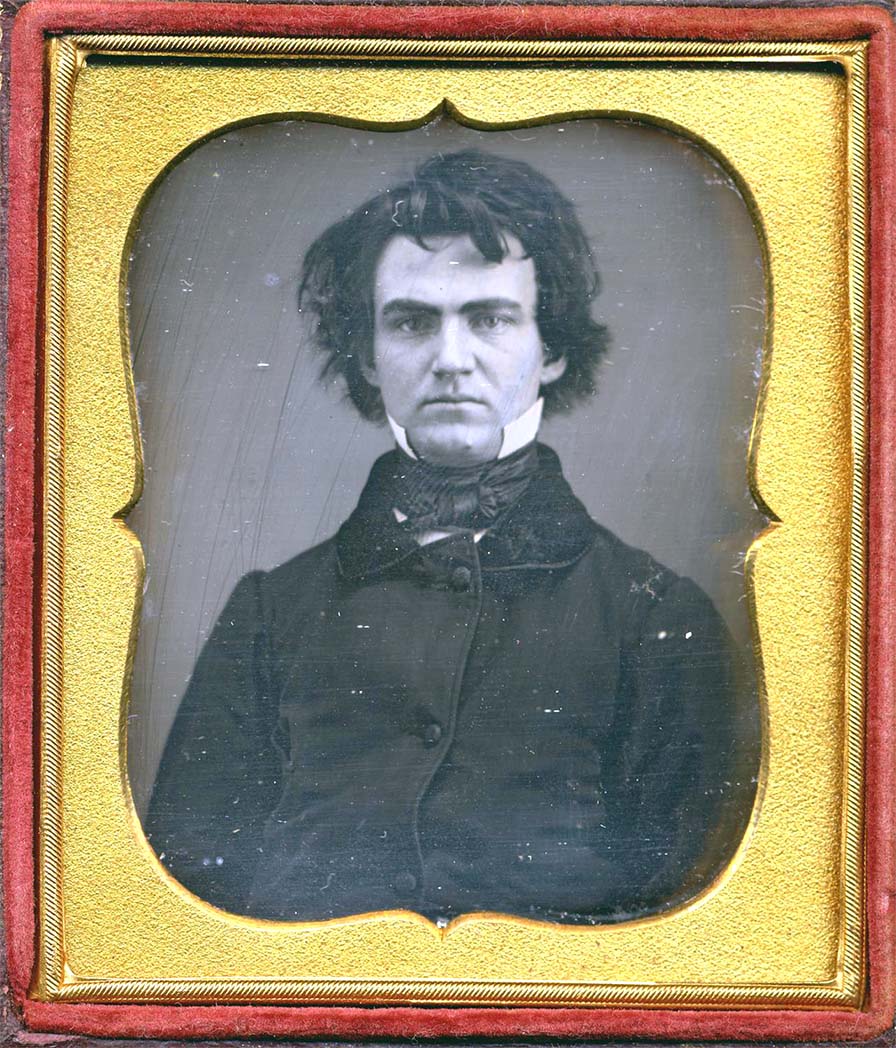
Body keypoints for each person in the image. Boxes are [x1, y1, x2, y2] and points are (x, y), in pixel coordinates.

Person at [146, 150, 760, 925]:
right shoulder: (273, 614)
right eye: (411, 321)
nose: (449, 359)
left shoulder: (656, 619)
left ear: (553, 349)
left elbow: (690, 934)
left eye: (490, 318)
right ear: (368, 355)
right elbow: (182, 913)